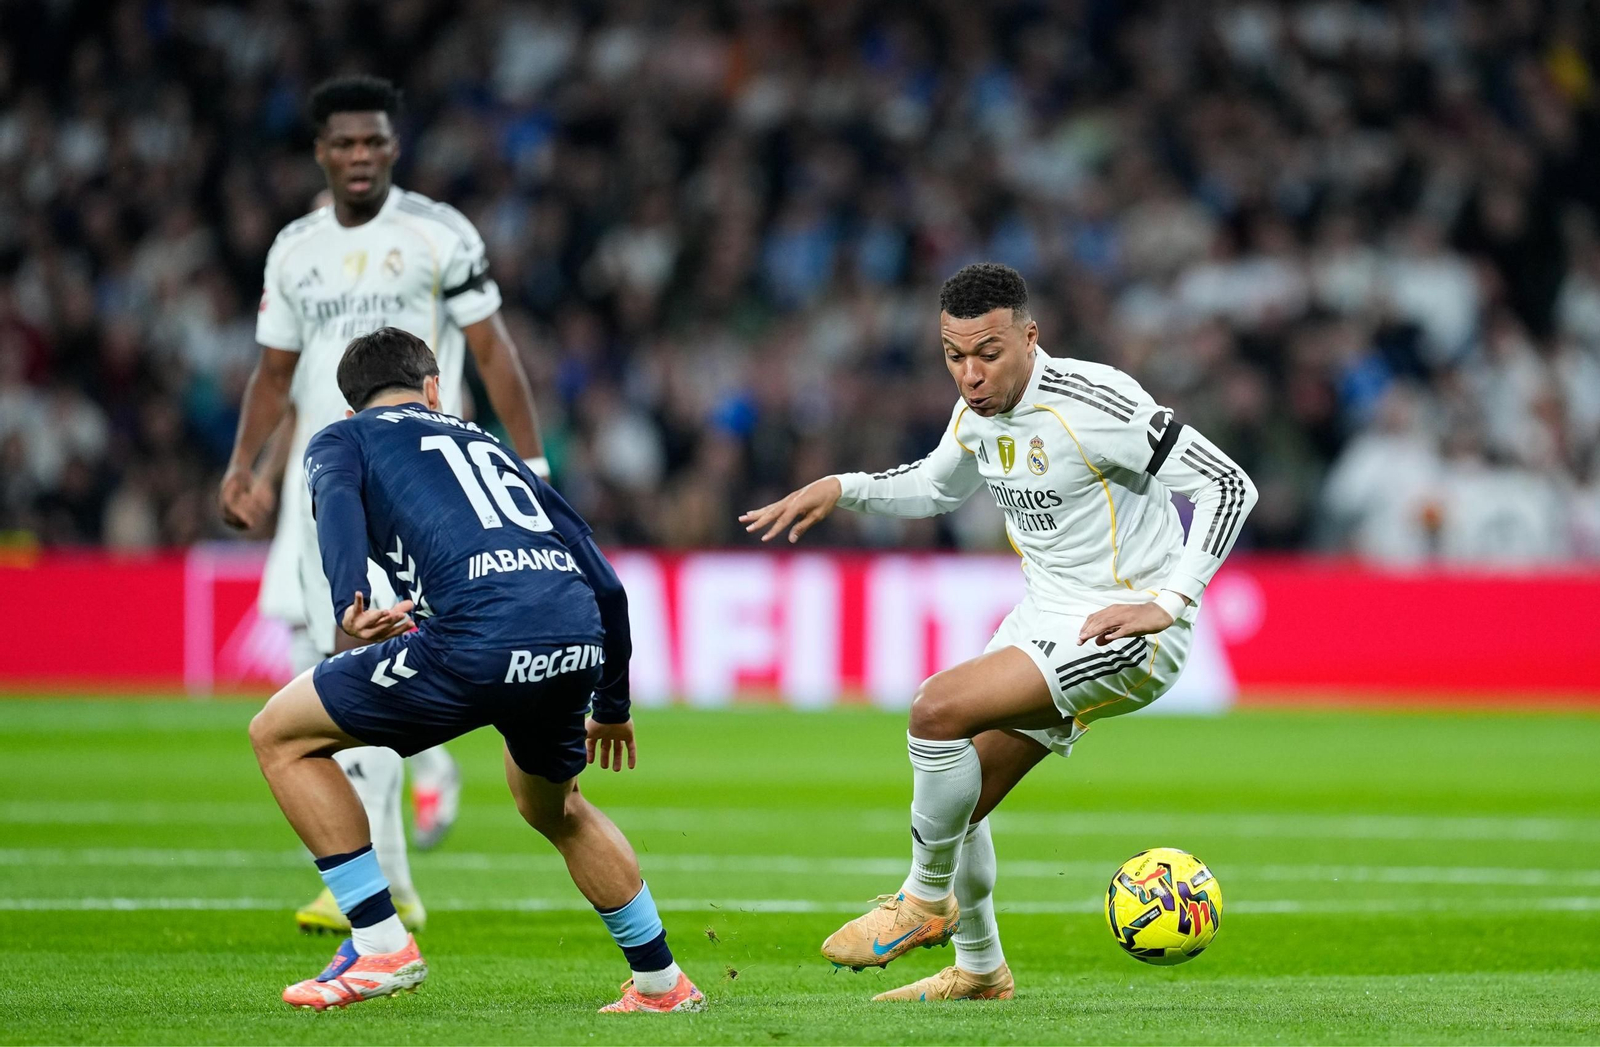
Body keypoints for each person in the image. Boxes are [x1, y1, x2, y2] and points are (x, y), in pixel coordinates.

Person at [741, 263, 1258, 1002]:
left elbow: (1228, 484)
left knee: (935, 708)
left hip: (1122, 626)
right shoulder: (976, 415)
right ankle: (982, 969)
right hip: (1042, 617)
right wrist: (843, 487)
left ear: (1029, 336)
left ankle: (923, 900)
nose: (971, 374)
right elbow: (934, 486)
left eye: (988, 353)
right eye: (954, 356)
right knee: (960, 795)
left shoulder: (1095, 400)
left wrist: (1172, 597)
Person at [249, 327, 705, 1013]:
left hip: (477, 636)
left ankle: (378, 943)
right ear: (434, 388)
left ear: (351, 408)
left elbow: (334, 506)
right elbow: (607, 583)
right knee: (556, 806)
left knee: (279, 732)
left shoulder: (345, 438)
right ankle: (662, 983)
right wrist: (611, 703)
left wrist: (351, 599)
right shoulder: (488, 444)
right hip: (572, 631)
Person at [219, 75, 549, 933]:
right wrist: (243, 463)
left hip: (421, 483)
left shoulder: (437, 234)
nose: (361, 156)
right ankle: (395, 863)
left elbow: (492, 348)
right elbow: (275, 372)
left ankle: (379, 871)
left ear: (393, 147)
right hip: (323, 481)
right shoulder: (294, 249)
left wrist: (534, 460)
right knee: (321, 659)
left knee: (356, 662)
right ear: (321, 151)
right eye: (345, 143)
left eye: (375, 142)